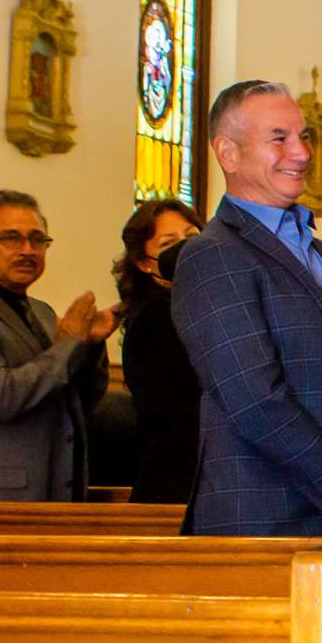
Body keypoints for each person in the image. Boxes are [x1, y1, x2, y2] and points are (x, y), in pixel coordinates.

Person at [172, 82, 322, 537]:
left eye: (304, 137)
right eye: (279, 138)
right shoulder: (212, 254)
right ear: (227, 153)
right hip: (267, 521)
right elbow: (254, 398)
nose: (301, 153)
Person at [0, 190, 114, 500]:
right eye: (11, 239)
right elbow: (0, 397)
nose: (27, 250)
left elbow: (75, 402)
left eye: (37, 240)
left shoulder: (42, 312)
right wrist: (70, 341)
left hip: (55, 487)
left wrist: (89, 346)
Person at [113, 197, 203, 502]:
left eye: (191, 237)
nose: (185, 250)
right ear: (143, 262)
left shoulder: (191, 306)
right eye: (168, 244)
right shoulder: (155, 316)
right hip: (177, 482)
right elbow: (179, 416)